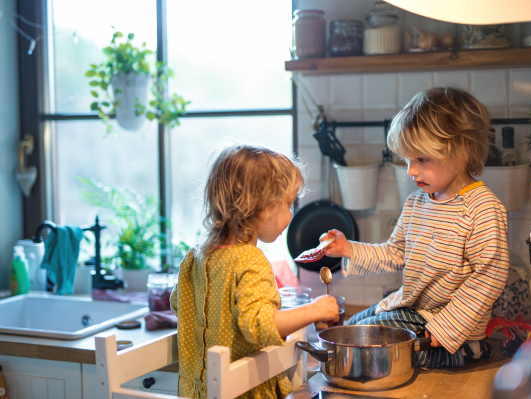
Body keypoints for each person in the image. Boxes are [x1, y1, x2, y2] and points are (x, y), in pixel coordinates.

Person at [323, 87, 510, 368]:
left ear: (460, 152)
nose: (411, 170)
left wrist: (448, 325)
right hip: (412, 311)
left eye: (421, 159)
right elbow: (395, 253)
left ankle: (469, 349)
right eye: (408, 159)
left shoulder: (481, 207)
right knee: (350, 328)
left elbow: (490, 275)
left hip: (445, 324)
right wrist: (348, 248)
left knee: (365, 346)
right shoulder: (415, 204)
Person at [171, 144, 339, 399]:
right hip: (244, 391)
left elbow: (178, 304)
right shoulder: (250, 259)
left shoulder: (194, 257)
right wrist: (314, 309)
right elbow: (260, 326)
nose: (291, 214)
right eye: (288, 204)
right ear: (264, 207)